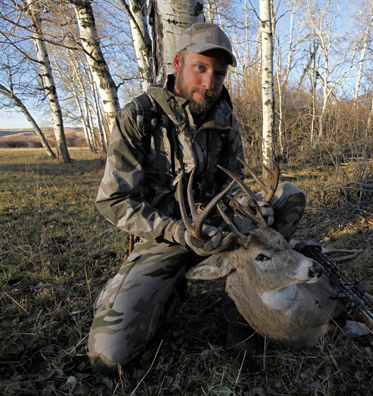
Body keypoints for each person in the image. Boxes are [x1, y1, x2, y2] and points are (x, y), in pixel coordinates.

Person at [88, 23, 306, 375]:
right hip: (165, 237)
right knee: (108, 356)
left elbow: (231, 182)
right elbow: (114, 200)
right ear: (178, 63)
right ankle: (154, 289)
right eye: (200, 68)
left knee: (289, 196)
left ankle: (243, 308)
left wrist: (250, 205)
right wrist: (175, 231)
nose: (209, 83)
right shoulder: (138, 117)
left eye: (218, 74)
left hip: (220, 225)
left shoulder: (224, 118)